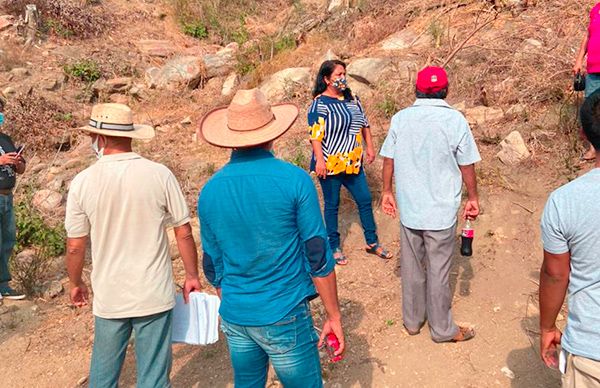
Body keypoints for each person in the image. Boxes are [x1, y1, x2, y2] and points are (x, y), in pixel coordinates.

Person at [198, 88, 344, 388]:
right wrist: (334, 315)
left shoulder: (209, 191)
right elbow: (317, 253)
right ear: (271, 133)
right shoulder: (294, 180)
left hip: (236, 315)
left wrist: (239, 304)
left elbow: (212, 265)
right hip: (283, 309)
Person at [64, 103, 201, 388]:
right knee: (153, 378)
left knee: (103, 377)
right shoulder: (159, 174)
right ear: (130, 135)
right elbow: (183, 232)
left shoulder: (82, 182)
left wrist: (75, 282)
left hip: (110, 295)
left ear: (99, 139)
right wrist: (191, 275)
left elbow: (76, 246)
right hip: (153, 291)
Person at [380, 67, 480, 343]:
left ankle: (412, 322)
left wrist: (387, 190)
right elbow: (466, 163)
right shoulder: (454, 120)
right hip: (441, 211)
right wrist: (473, 197)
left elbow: (389, 158)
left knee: (411, 267)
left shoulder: (401, 119)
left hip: (411, 207)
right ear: (446, 91)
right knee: (439, 270)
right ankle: (442, 329)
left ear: (417, 89)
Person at [539, 88, 600, 386]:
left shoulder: (565, 201)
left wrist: (547, 327)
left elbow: (555, 274)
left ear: (582, 134)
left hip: (592, 349)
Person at [308, 59, 392, 265]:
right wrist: (319, 160)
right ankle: (334, 246)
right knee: (332, 204)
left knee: (364, 200)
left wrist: (370, 147)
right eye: (338, 75)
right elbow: (315, 135)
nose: (342, 78)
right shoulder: (319, 104)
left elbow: (365, 125)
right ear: (327, 79)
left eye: (344, 74)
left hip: (353, 163)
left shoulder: (352, 99)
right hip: (330, 163)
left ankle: (372, 242)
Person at [0, 93, 26, 301]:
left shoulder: (6, 139)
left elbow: (22, 169)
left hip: (7, 196)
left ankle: (4, 286)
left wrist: (17, 164)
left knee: (8, 241)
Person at [573, 2, 600, 160]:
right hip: (593, 69)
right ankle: (594, 149)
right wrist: (578, 61)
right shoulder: (595, 10)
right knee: (592, 111)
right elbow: (588, 35)